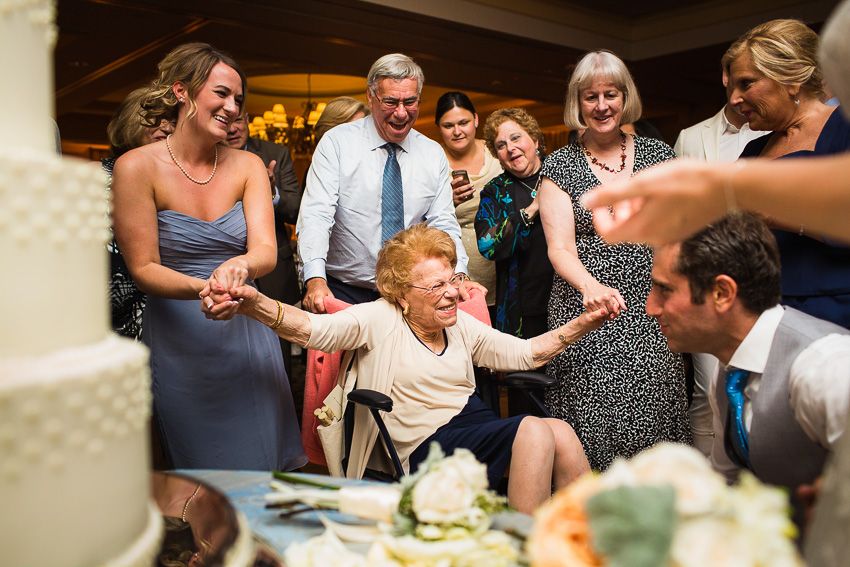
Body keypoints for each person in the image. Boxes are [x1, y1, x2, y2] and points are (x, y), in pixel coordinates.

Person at [202, 224, 608, 514]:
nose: (452, 293)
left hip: (472, 424)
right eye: (435, 287)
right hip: (423, 444)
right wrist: (253, 303)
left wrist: (583, 323)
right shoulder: (378, 318)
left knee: (561, 430)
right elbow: (311, 330)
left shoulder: (459, 323)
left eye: (451, 280)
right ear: (401, 294)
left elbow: (527, 355)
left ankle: (587, 543)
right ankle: (526, 553)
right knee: (535, 428)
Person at [111, 42, 306, 471]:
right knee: (202, 477)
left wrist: (242, 267)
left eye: (239, 99)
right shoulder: (135, 168)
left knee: (262, 470)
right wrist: (207, 288)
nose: (232, 107)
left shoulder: (248, 165)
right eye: (221, 93)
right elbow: (143, 268)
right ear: (181, 91)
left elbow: (265, 251)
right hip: (180, 333)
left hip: (246, 327)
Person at [645, 212, 850, 530]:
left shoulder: (824, 368)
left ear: (722, 293)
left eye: (665, 290)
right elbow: (726, 483)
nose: (651, 307)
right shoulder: (729, 373)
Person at [538, 49, 690, 471]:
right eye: (591, 97)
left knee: (656, 418)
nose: (602, 106)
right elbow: (560, 248)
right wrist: (589, 286)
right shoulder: (559, 165)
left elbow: (677, 235)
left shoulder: (660, 157)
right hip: (585, 312)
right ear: (578, 102)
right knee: (589, 425)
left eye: (611, 94)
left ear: (626, 98)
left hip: (651, 309)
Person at [297, 53, 480, 313]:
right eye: (391, 102)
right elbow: (317, 215)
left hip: (413, 292)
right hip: (344, 290)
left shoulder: (432, 153)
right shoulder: (337, 143)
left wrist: (459, 273)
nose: (402, 113)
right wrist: (315, 280)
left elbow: (443, 222)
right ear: (371, 97)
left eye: (410, 101)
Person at [672, 64, 769, 457]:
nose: (742, 93)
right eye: (740, 80)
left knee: (764, 383)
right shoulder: (691, 138)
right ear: (725, 78)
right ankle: (709, 479)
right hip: (705, 278)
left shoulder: (775, 133)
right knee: (708, 387)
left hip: (762, 278)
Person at [727, 19, 850, 329]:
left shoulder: (844, 129)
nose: (734, 100)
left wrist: (771, 215)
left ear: (791, 79)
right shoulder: (754, 151)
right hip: (764, 311)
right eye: (732, 87)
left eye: (746, 83)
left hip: (834, 308)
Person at [225, 108, 302, 380]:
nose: (233, 128)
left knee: (277, 360)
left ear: (247, 120)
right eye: (228, 121)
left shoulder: (275, 154)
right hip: (222, 268)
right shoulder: (205, 155)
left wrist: (271, 193)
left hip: (272, 274)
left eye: (239, 120)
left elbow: (295, 211)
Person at [102, 86, 177, 340]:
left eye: (173, 121)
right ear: (131, 120)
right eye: (158, 118)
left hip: (166, 309)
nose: (166, 127)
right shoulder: (96, 177)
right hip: (104, 312)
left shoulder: (178, 183)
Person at [475, 107, 552, 339]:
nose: (510, 148)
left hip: (571, 300)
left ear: (535, 140)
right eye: (501, 145)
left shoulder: (561, 175)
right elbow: (487, 245)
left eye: (516, 137)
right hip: (524, 307)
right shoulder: (495, 192)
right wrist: (531, 210)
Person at [435, 92, 502, 311]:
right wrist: (447, 202)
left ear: (475, 119)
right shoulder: (433, 162)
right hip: (455, 263)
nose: (457, 131)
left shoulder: (497, 151)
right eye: (448, 125)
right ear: (439, 127)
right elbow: (418, 219)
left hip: (501, 258)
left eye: (463, 122)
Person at [673, 71, 769, 163]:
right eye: (742, 82)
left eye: (748, 83)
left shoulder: (778, 132)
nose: (736, 99)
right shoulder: (688, 138)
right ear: (726, 77)